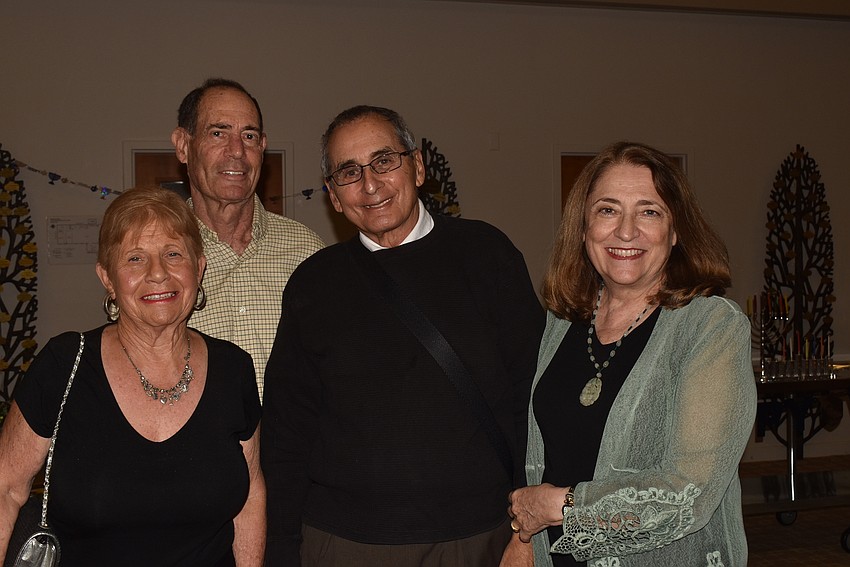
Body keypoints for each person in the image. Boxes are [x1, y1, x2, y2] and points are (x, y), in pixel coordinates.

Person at [260, 105, 545, 566]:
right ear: (333, 195)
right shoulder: (315, 284)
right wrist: (281, 551)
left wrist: (528, 532)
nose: (369, 184)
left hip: (479, 536)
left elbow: (531, 401)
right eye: (349, 172)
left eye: (384, 161)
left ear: (416, 166)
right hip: (346, 542)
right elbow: (288, 433)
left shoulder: (487, 256)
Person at [503, 141, 757, 567]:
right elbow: (538, 457)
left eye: (649, 211)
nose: (625, 231)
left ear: (676, 232)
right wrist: (524, 537)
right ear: (583, 229)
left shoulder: (711, 327)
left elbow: (686, 495)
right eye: (607, 210)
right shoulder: (559, 323)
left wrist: (559, 507)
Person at [0, 186, 265, 566]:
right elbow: (5, 490)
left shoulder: (233, 369)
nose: (158, 273)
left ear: (199, 267)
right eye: (135, 258)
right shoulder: (63, 366)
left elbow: (251, 491)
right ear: (107, 278)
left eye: (174, 254)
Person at [171, 78, 324, 400]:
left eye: (249, 136)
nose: (237, 151)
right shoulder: (158, 257)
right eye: (218, 133)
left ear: (263, 146)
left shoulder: (307, 252)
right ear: (183, 146)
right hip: (197, 448)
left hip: (294, 449)